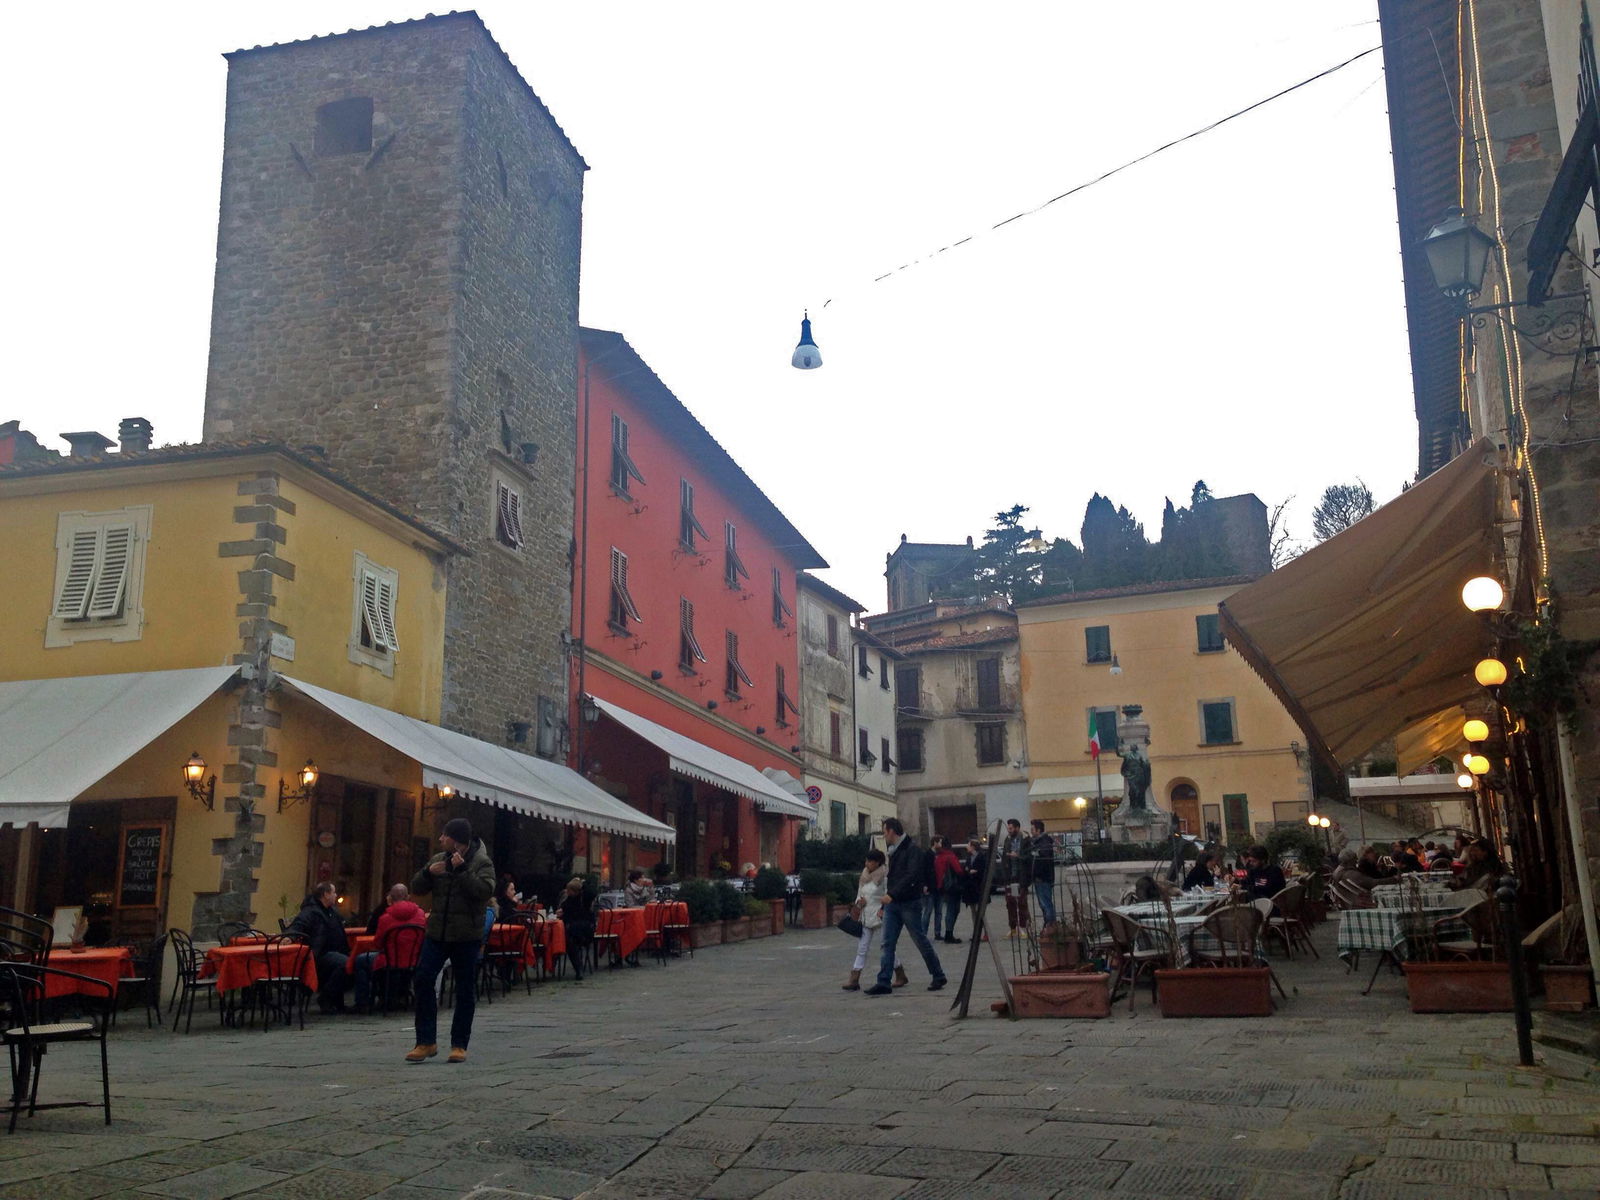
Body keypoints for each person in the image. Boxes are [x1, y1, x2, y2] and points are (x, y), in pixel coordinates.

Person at [406, 817, 495, 1065]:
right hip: (437, 933)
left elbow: (485, 892)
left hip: (466, 935)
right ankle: (425, 1041)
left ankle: (459, 1045)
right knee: (423, 977)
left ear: (456, 840)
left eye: (445, 835)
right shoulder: (437, 860)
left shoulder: (481, 862)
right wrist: (426, 873)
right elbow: (417, 887)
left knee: (465, 989)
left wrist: (463, 872)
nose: (440, 839)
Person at [863, 818, 947, 996]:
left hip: (908, 902)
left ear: (892, 831)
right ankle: (883, 981)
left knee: (919, 939)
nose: (884, 835)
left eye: (885, 831)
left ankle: (938, 974)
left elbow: (912, 875)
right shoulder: (895, 850)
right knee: (887, 942)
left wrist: (892, 894)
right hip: (893, 904)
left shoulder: (912, 849)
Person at [350, 884, 425, 1014]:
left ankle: (362, 1003)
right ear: (408, 897)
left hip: (389, 960)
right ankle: (399, 996)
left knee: (360, 961)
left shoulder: (385, 918)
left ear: (390, 898)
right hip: (413, 961)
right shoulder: (420, 914)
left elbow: (378, 944)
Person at [289, 882, 353, 1014]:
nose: (336, 895)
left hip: (335, 951)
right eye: (333, 892)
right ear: (326, 894)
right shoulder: (311, 911)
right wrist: (289, 937)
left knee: (353, 963)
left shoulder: (332, 911)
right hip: (318, 954)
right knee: (346, 964)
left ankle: (336, 1001)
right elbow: (298, 924)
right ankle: (326, 997)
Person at [843, 849, 902, 991]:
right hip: (865, 915)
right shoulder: (864, 875)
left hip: (880, 915)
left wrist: (884, 908)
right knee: (862, 948)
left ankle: (900, 973)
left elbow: (890, 894)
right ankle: (854, 978)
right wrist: (859, 901)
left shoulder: (885, 876)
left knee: (886, 947)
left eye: (870, 861)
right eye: (866, 861)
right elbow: (859, 893)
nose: (867, 864)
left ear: (877, 863)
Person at [558, 877, 594, 982]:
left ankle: (579, 969)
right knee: (568, 940)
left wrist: (582, 884)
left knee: (570, 940)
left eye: (569, 890)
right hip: (572, 931)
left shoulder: (585, 899)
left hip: (584, 930)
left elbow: (592, 893)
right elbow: (564, 911)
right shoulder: (568, 900)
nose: (567, 892)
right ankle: (578, 968)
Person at [930, 836, 964, 944]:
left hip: (942, 887)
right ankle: (949, 934)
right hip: (953, 887)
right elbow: (958, 870)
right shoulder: (950, 856)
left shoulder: (938, 857)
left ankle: (948, 933)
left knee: (949, 909)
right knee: (953, 910)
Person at [999, 818, 1029, 938]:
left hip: (1020, 876)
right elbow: (1004, 858)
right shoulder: (1007, 840)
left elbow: (1028, 856)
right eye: (1008, 828)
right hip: (1009, 876)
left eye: (1011, 828)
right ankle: (1013, 927)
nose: (1009, 830)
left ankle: (1023, 927)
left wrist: (1018, 856)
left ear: (1017, 828)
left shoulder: (1025, 840)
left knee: (1021, 902)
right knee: (1010, 903)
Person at [1028, 820, 1056, 924]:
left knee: (1046, 903)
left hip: (1043, 878)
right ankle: (1048, 924)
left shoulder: (1044, 842)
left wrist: (1036, 852)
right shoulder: (1037, 842)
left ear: (1038, 830)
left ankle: (1050, 925)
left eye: (1032, 829)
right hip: (1039, 878)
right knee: (1043, 903)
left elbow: (1044, 860)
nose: (1031, 831)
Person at [960, 837, 987, 938]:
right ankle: (976, 932)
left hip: (978, 888)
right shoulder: (969, 857)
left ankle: (984, 932)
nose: (967, 847)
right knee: (973, 911)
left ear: (973, 847)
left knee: (979, 911)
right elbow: (966, 869)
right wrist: (969, 871)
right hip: (970, 888)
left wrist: (974, 871)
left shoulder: (981, 857)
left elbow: (983, 871)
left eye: (968, 845)